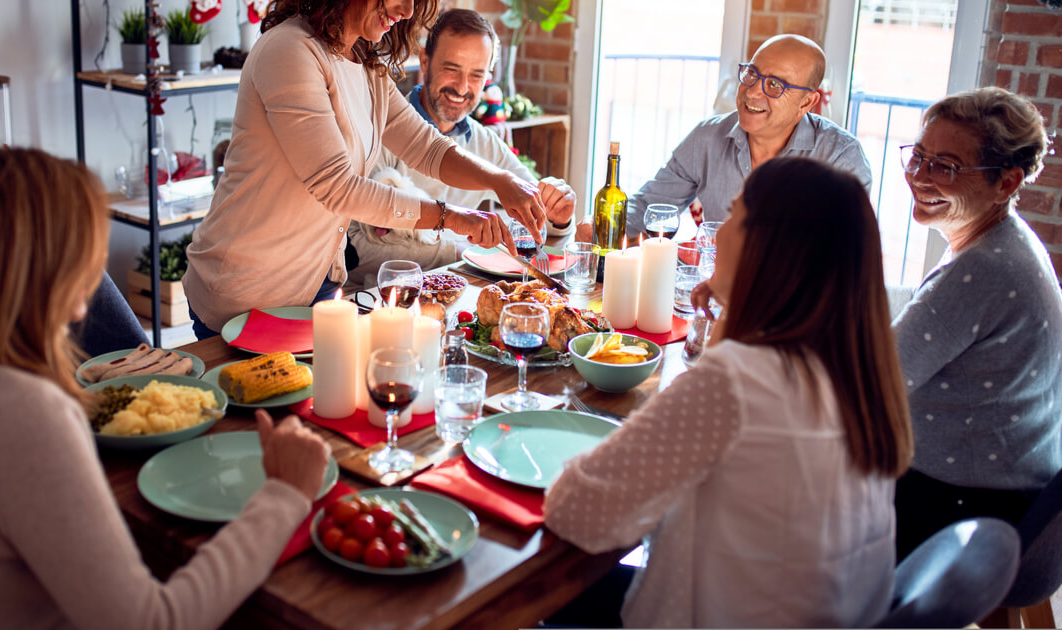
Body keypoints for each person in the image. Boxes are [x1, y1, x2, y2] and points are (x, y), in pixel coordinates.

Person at [0, 147, 330, 628]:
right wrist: (285, 494)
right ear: (34, 276)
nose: (82, 309)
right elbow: (154, 621)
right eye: (78, 270)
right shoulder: (15, 413)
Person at [545, 157, 913, 628]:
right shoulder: (857, 373)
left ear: (768, 246)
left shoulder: (739, 379)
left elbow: (578, 511)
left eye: (735, 215)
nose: (715, 234)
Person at [183, 0, 549, 338]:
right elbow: (338, 186)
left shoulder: (365, 64)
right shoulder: (290, 50)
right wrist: (449, 217)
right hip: (245, 290)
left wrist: (500, 180)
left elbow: (427, 147)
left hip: (317, 284)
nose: (406, 11)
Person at [891, 87, 1062, 559]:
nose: (919, 176)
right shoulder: (1008, 241)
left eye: (944, 166)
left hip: (964, 511)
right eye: (919, 156)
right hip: (1000, 491)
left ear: (1005, 183)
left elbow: (872, 378)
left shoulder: (985, 268)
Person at [345, 8, 576, 290]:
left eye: (477, 75)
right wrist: (458, 248)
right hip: (376, 303)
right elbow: (353, 250)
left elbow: (542, 224)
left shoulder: (485, 143)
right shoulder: (379, 132)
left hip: (456, 298)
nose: (462, 87)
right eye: (451, 69)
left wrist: (559, 214)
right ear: (426, 61)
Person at [575, 33, 871, 242]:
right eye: (752, 74)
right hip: (716, 303)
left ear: (807, 103)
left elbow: (838, 260)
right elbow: (649, 207)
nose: (753, 91)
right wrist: (599, 224)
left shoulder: (841, 158)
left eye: (774, 85)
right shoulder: (707, 138)